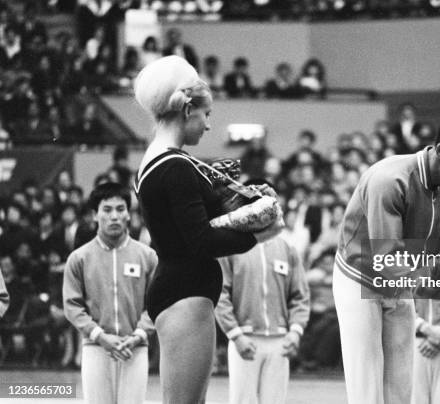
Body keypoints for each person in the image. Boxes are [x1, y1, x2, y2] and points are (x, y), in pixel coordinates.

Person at [132, 56, 282, 404]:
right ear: (187, 109)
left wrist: (244, 205)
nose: (209, 125)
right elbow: (200, 240)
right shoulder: (175, 166)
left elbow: (194, 224)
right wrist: (260, 233)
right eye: (207, 114)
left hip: (181, 289)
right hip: (185, 292)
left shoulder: (161, 160)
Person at [333, 111, 440, 404]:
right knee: (368, 391)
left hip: (402, 282)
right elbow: (387, 262)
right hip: (360, 279)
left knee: (401, 391)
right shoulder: (389, 180)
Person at [215, 180, 310, 404]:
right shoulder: (231, 247)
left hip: (280, 341)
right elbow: (221, 294)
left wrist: (295, 332)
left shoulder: (287, 249)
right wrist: (235, 336)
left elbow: (300, 295)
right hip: (245, 340)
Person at [62, 182, 157, 404]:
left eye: (120, 209)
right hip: (96, 348)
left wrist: (138, 335)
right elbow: (72, 305)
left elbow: (156, 303)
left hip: (135, 349)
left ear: (128, 214)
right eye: (107, 210)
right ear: (95, 215)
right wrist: (99, 336)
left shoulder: (148, 256)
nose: (114, 216)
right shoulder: (79, 258)